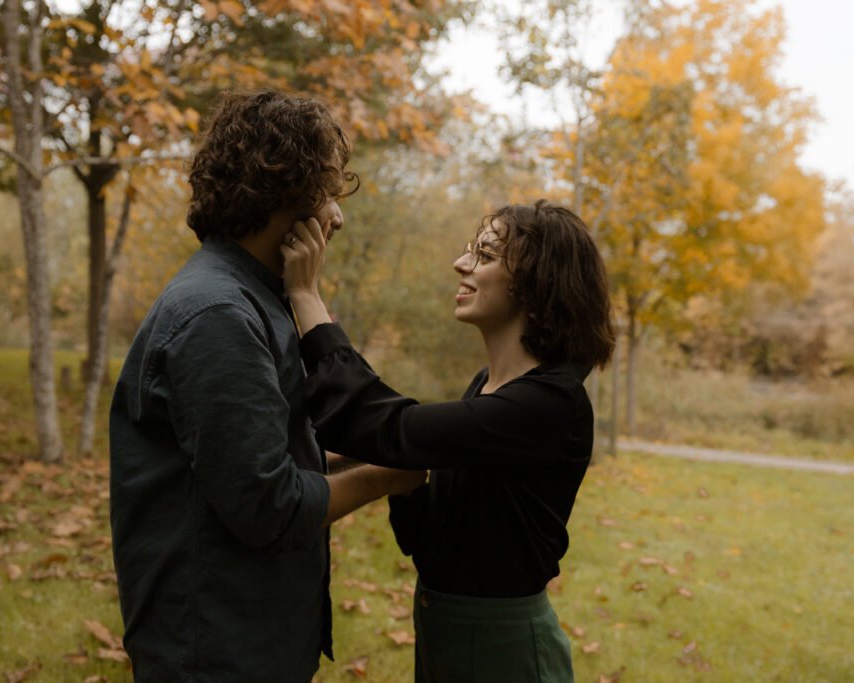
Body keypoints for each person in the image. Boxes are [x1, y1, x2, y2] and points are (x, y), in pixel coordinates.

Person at [109, 90, 425, 682]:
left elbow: (268, 454)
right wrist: (386, 476)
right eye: (328, 193)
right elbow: (265, 504)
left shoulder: (253, 298)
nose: (338, 215)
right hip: (215, 650)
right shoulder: (218, 315)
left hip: (247, 637)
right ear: (289, 195)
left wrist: (373, 446)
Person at [281, 200, 616, 682]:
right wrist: (396, 473)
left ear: (536, 282)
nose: (461, 264)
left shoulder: (549, 405)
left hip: (505, 654)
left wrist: (307, 298)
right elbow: (425, 534)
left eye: (483, 255)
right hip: (445, 635)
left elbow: (391, 429)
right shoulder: (487, 386)